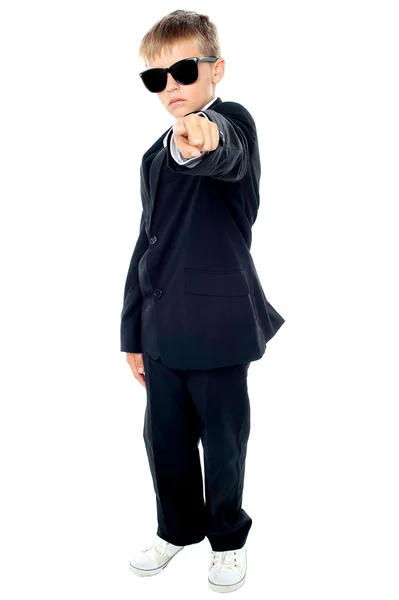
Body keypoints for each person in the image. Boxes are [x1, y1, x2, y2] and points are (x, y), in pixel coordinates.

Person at [120, 9, 285, 594]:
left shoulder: (230, 122)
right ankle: (177, 529)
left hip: (218, 327)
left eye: (184, 71)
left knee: (223, 440)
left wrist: (204, 140)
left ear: (216, 71)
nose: (171, 88)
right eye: (155, 78)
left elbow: (225, 152)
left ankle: (228, 538)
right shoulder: (151, 155)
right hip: (161, 329)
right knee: (162, 439)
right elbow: (147, 245)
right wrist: (132, 333)